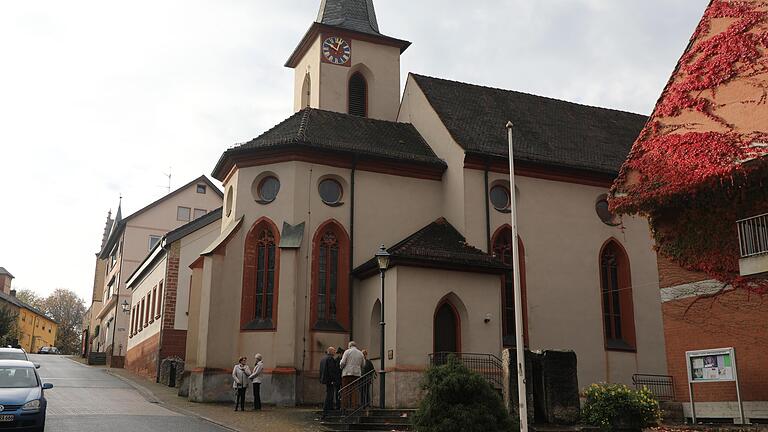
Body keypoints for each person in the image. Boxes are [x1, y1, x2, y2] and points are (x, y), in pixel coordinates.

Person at [339, 341, 365, 411]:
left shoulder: (347, 352)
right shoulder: (360, 353)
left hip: (347, 373)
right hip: (356, 374)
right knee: (355, 390)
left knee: (345, 389)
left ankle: (344, 406)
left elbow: (342, 362)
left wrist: (341, 367)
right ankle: (354, 406)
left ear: (349, 346)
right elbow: (363, 364)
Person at [319, 346, 339, 418]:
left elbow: (321, 370)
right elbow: (331, 371)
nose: (335, 352)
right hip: (330, 380)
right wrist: (333, 380)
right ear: (331, 352)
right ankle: (326, 411)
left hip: (325, 379)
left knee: (329, 394)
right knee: (329, 395)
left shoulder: (323, 358)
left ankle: (329, 408)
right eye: (334, 351)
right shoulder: (330, 359)